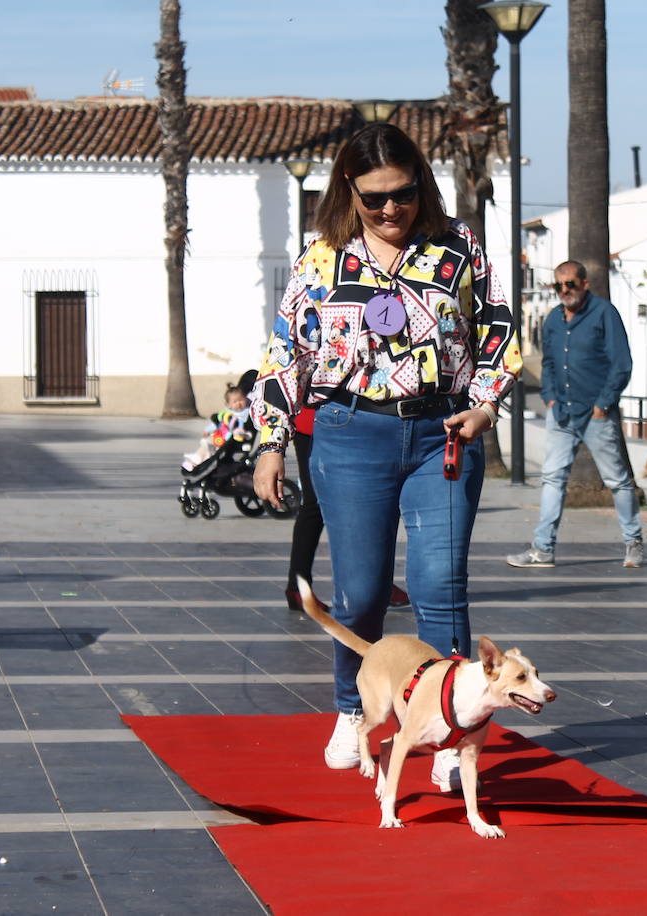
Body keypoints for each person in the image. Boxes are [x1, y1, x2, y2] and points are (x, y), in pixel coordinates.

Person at [248, 122, 519, 782]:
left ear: (420, 184)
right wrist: (271, 443)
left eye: (402, 193)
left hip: (444, 435)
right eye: (375, 199)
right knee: (362, 593)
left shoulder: (459, 249)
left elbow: (499, 329)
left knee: (440, 588)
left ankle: (452, 734)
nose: (391, 209)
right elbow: (289, 353)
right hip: (349, 434)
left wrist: (485, 403)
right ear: (350, 192)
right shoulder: (322, 262)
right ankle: (353, 707)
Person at [506, 260, 643, 569]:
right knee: (552, 479)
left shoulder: (604, 313)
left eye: (570, 284)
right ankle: (543, 549)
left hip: (595, 413)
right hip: (562, 413)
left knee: (617, 480)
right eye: (558, 286)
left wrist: (602, 405)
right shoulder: (553, 319)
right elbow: (549, 363)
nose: (564, 290)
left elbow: (621, 364)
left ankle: (633, 542)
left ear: (585, 284)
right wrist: (550, 399)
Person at [283, 403, 409, 613]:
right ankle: (297, 586)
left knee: (373, 501)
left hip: (361, 417)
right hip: (316, 418)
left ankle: (377, 583)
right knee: (313, 504)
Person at [182, 383, 251, 470]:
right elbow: (216, 424)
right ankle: (196, 459)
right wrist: (208, 430)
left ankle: (197, 459)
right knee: (207, 443)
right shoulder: (226, 413)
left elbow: (243, 426)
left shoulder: (246, 413)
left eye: (241, 400)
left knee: (209, 446)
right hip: (220, 436)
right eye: (235, 402)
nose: (238, 403)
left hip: (230, 439)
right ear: (228, 404)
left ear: (246, 399)